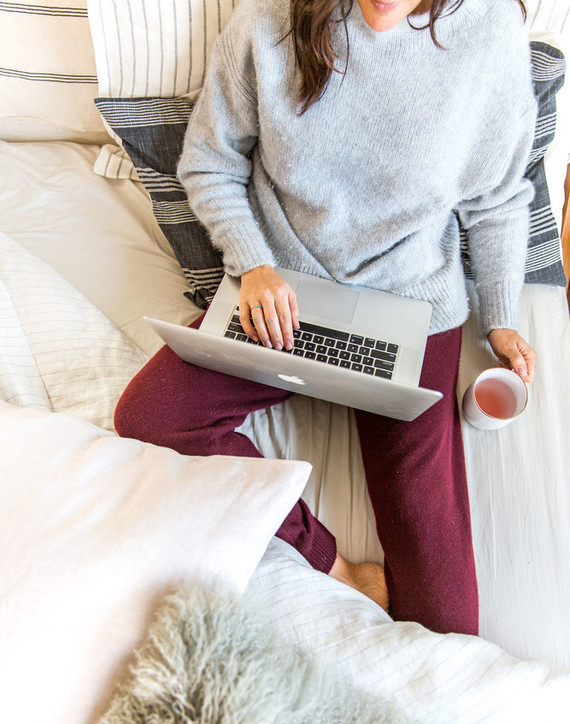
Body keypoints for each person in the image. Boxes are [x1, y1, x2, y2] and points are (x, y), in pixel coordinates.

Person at [114, 0, 538, 635]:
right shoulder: (268, 23)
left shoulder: (489, 32)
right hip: (285, 291)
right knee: (151, 417)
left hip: (412, 303)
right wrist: (254, 264)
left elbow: (500, 199)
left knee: (447, 618)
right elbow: (210, 163)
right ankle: (338, 566)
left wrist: (500, 317)